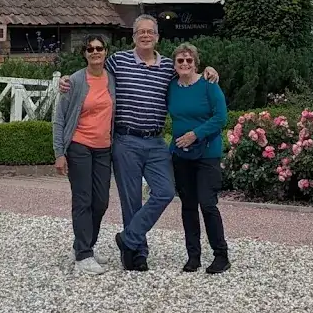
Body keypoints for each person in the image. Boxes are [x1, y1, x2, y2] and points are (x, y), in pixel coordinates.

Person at [61, 14, 219, 272]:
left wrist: (210, 71)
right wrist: (68, 79)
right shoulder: (118, 61)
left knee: (166, 191)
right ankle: (137, 255)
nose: (146, 36)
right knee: (131, 200)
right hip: (126, 140)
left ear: (157, 37)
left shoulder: (169, 66)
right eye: (140, 32)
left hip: (155, 142)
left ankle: (128, 238)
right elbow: (93, 69)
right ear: (133, 37)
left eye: (150, 32)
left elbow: (189, 75)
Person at [52, 36, 116, 276]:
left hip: (104, 148)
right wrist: (59, 152)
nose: (95, 52)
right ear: (84, 54)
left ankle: (84, 244)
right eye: (90, 49)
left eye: (99, 48)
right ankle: (83, 255)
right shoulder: (75, 81)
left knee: (101, 201)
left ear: (106, 51)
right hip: (79, 146)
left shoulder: (113, 79)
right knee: (83, 200)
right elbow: (60, 119)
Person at [168, 42, 230, 274]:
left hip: (207, 153)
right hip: (181, 155)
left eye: (189, 60)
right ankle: (193, 256)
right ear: (175, 64)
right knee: (188, 206)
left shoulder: (209, 85)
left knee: (207, 203)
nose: (184, 64)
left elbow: (221, 117)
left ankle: (221, 254)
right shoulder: (171, 87)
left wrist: (195, 134)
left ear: (196, 62)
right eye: (180, 60)